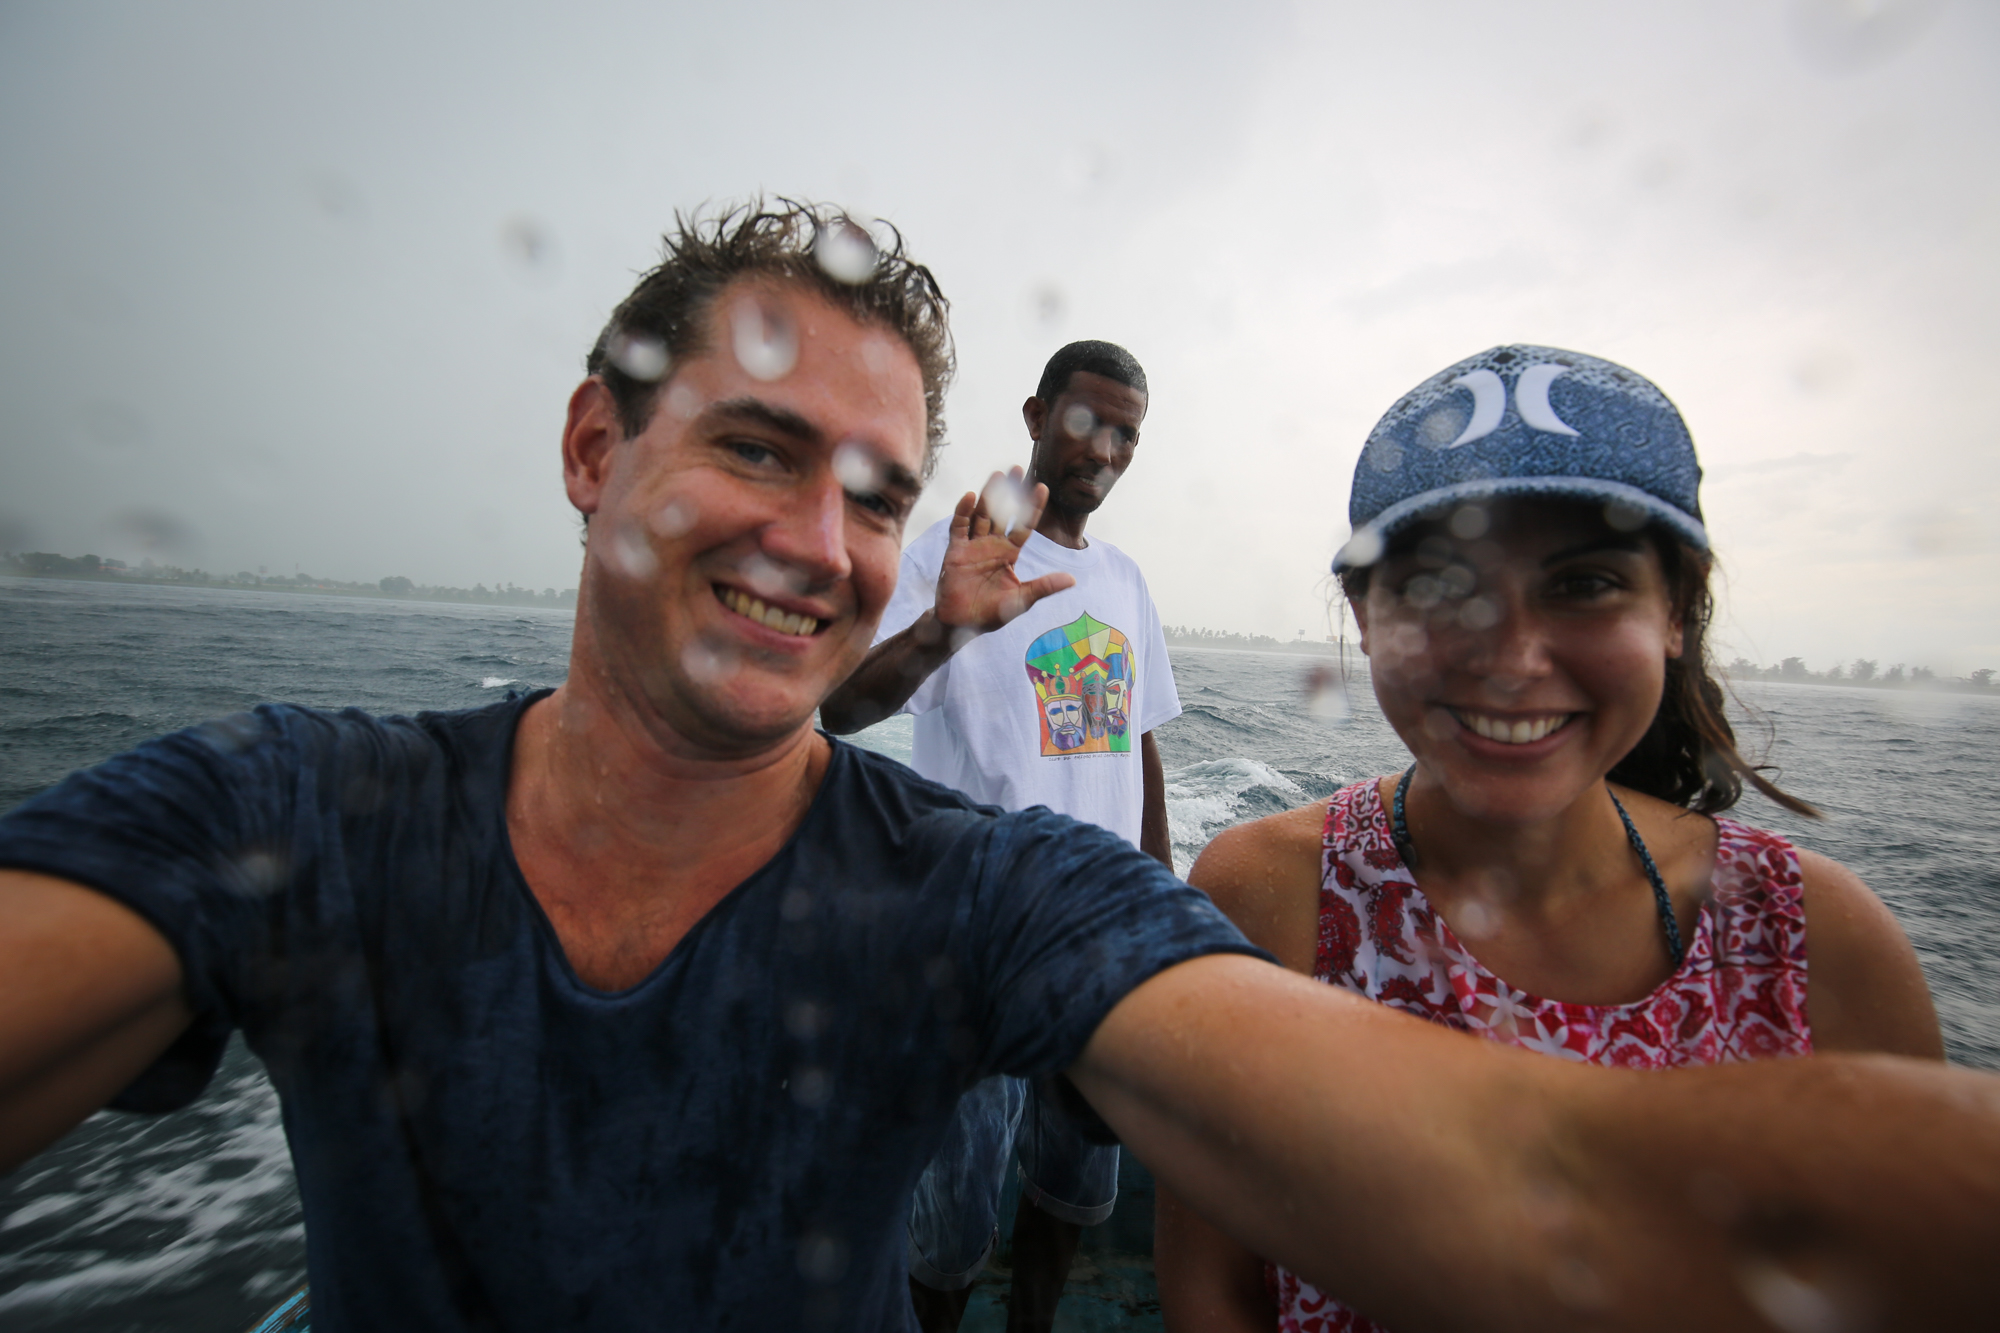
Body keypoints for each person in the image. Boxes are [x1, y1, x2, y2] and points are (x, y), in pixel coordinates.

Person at [4, 206, 2000, 1333]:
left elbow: (1525, 1169)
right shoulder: (291, 807)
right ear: (594, 453)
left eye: (865, 486)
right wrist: (945, 615)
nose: (811, 534)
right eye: (756, 447)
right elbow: (842, 705)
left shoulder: (981, 870)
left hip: (1062, 935)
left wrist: (1140, 886)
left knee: (1043, 1212)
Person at [1153, 345, 1947, 1333]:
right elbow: (1213, 1292)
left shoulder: (1815, 942)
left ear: (1676, 609)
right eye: (1439, 586)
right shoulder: (1270, 893)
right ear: (1363, 616)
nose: (1510, 656)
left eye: (1582, 584)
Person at [820, 340, 1178, 1332]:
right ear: (1034, 415)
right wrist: (947, 625)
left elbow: (1136, 747)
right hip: (971, 941)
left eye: (1126, 434)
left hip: (1099, 939)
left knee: (1072, 1182)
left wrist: (1158, 907)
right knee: (950, 1225)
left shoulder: (1125, 580)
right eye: (1085, 420)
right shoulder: (950, 550)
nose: (1103, 448)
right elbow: (839, 709)